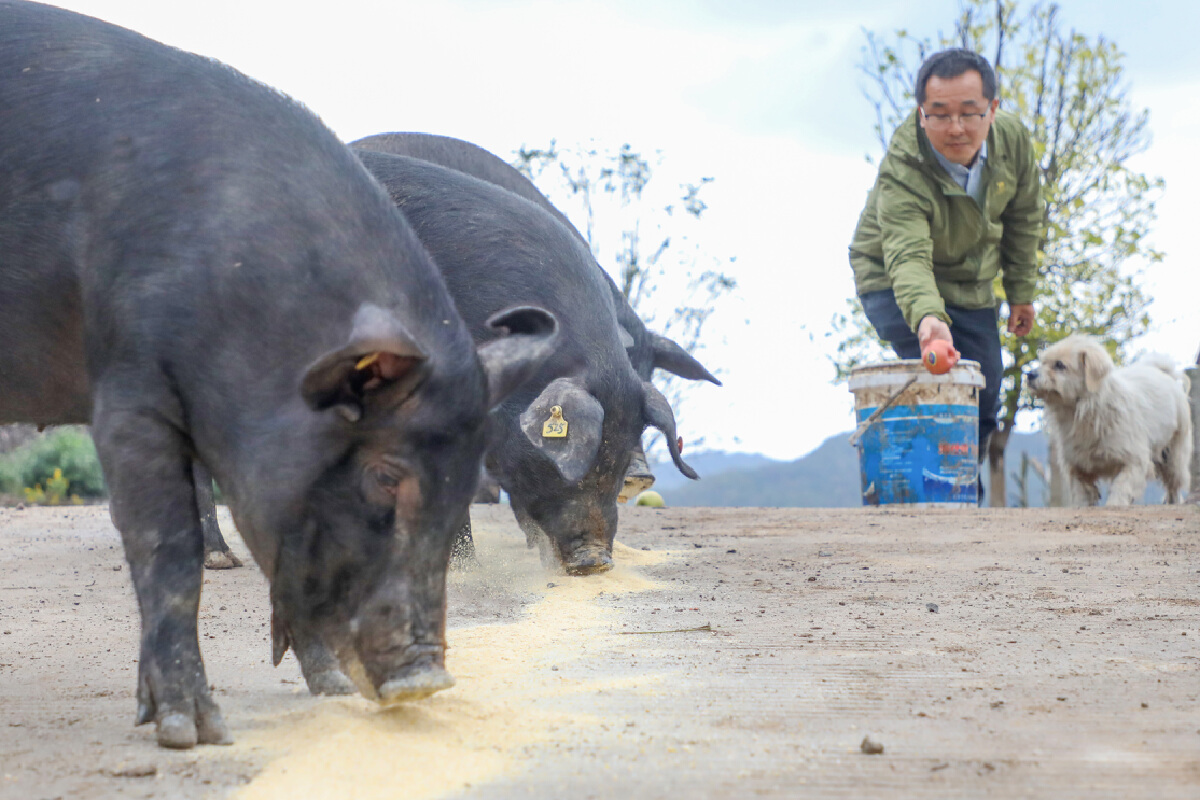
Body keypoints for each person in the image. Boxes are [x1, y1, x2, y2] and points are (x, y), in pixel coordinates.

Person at [848, 48, 1044, 455]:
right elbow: (907, 255)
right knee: (945, 386)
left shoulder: (1013, 142)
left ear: (992, 110)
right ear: (921, 114)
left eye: (969, 113)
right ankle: (925, 482)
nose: (956, 128)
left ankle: (964, 487)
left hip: (968, 278)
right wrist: (928, 319)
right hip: (892, 277)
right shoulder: (904, 166)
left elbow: (1024, 217)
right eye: (939, 115)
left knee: (984, 390)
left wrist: (1021, 291)